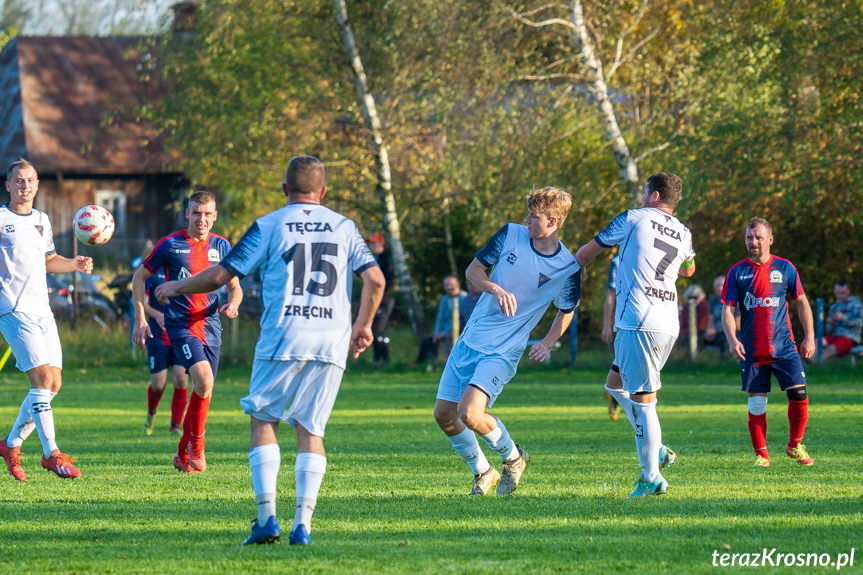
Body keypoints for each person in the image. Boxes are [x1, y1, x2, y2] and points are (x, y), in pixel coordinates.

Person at [155, 156, 385, 546]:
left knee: (264, 419)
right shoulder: (345, 227)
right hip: (331, 338)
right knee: (310, 429)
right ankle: (303, 527)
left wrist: (175, 287)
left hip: (284, 334)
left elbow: (220, 275)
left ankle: (266, 520)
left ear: (284, 190)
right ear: (323, 192)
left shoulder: (270, 224)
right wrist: (363, 325)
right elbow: (375, 281)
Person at [433, 187, 581, 497]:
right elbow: (473, 271)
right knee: (444, 415)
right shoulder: (510, 234)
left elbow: (566, 311)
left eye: (534, 216)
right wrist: (495, 289)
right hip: (471, 338)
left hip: (504, 349)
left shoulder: (568, 267)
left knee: (470, 413)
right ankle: (483, 471)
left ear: (553, 221)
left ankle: (513, 458)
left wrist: (547, 341)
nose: (526, 219)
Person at [576, 172, 696, 497]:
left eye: (645, 191)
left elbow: (587, 252)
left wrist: (579, 265)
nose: (642, 196)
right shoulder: (683, 232)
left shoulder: (633, 218)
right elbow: (689, 268)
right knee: (614, 386)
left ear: (654, 195)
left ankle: (651, 477)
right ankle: (655, 448)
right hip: (667, 321)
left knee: (644, 402)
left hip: (639, 321)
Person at [131, 190, 242, 474]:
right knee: (203, 382)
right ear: (187, 214)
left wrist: (234, 303)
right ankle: (198, 446)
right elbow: (139, 277)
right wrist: (140, 317)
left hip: (211, 326)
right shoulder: (170, 245)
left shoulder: (222, 246)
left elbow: (234, 286)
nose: (201, 219)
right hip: (180, 326)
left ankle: (181, 453)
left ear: (215, 216)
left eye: (207, 214)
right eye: (196, 213)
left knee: (203, 391)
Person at [0, 159, 93, 481]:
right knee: (40, 381)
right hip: (13, 309)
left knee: (54, 383)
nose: (25, 186)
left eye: (30, 180)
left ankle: (11, 444)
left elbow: (49, 260)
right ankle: (51, 453)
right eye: (19, 181)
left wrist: (76, 264)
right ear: (9, 185)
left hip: (43, 310)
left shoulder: (42, 219)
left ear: (38, 185)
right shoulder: (1, 219)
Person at [721, 217, 816, 467]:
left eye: (759, 237)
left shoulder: (785, 268)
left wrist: (810, 337)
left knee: (799, 394)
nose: (754, 242)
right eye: (749, 237)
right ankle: (761, 455)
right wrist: (732, 339)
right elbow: (728, 310)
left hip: (785, 348)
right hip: (752, 350)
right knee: (756, 402)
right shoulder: (737, 272)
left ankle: (794, 446)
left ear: (770, 240)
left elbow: (802, 302)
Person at [141, 268, 189, 435]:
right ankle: (151, 414)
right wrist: (157, 315)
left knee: (181, 379)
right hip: (158, 336)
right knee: (158, 385)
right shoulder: (153, 273)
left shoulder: (184, 270)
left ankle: (175, 425)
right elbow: (141, 301)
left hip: (181, 335)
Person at [415, 275, 468, 363]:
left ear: (458, 284)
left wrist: (446, 333)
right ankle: (423, 364)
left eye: (451, 284)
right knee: (427, 342)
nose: (448, 287)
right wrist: (437, 333)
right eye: (446, 285)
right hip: (444, 332)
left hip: (459, 331)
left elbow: (461, 320)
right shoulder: (444, 299)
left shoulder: (464, 298)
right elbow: (440, 318)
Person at [367, 233, 395, 364]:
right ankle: (383, 360)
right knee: (379, 329)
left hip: (384, 299)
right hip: (377, 298)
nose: (371, 246)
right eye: (370, 243)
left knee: (377, 329)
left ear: (381, 243)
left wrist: (380, 296)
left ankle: (380, 359)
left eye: (374, 243)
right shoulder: (375, 258)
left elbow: (388, 281)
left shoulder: (386, 259)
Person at [821, 280, 862, 362]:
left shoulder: (857, 305)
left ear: (849, 291)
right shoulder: (834, 307)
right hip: (836, 336)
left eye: (842, 293)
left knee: (834, 346)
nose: (839, 295)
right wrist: (832, 323)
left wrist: (844, 318)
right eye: (837, 293)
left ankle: (814, 364)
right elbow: (828, 329)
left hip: (851, 338)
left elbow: (861, 323)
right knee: (818, 342)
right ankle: (808, 363)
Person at [602, 254, 621, 420]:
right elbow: (611, 294)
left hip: (647, 323)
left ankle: (612, 393)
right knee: (623, 364)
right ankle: (614, 400)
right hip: (625, 323)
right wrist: (607, 324)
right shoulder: (617, 261)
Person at [704, 274, 739, 356]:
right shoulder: (713, 300)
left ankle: (723, 361)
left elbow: (738, 323)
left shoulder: (735, 299)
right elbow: (711, 319)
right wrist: (710, 330)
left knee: (722, 337)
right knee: (701, 337)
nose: (719, 288)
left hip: (732, 331)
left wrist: (718, 330)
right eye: (717, 286)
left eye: (722, 285)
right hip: (716, 330)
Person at [678, 284, 709, 349]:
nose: (692, 300)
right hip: (687, 333)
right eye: (690, 298)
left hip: (701, 332)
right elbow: (681, 323)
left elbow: (702, 325)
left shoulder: (705, 307)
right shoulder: (685, 308)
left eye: (695, 298)